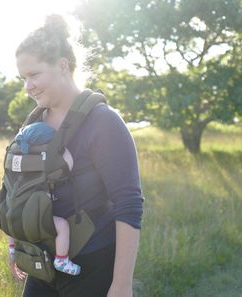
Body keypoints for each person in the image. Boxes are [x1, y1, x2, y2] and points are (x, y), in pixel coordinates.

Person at [8, 13, 143, 297]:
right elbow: (20, 191)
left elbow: (129, 204)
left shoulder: (103, 122)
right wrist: (17, 245)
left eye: (34, 75)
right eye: (23, 77)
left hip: (93, 266)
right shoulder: (33, 124)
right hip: (41, 263)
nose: (27, 86)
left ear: (63, 66)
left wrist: (121, 285)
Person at [13, 121, 81, 276]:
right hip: (34, 217)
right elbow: (68, 165)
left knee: (13, 223)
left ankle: (12, 250)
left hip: (16, 215)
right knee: (62, 225)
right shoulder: (43, 164)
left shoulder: (19, 162)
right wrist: (61, 149)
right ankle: (62, 260)